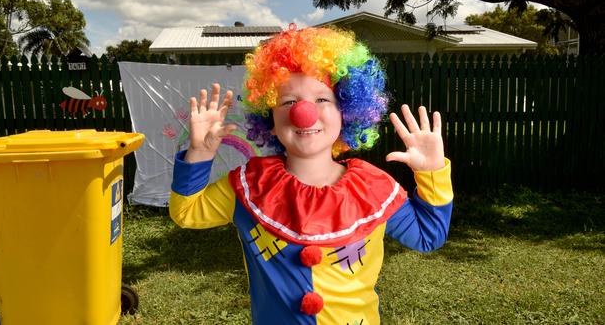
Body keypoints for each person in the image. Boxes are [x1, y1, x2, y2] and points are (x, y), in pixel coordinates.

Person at [169, 25, 453, 325]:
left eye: (322, 99)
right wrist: (199, 153)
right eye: (288, 102)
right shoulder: (249, 186)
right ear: (270, 119)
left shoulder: (374, 189)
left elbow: (428, 236)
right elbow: (186, 212)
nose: (304, 112)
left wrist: (432, 173)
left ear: (347, 111)